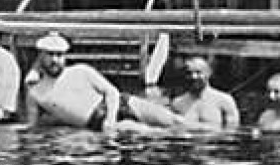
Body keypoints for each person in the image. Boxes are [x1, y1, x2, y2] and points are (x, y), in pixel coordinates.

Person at [22, 33, 172, 132]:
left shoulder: (80, 70)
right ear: (41, 55)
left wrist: (111, 118)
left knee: (174, 121)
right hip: (97, 121)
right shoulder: (36, 92)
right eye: (50, 55)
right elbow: (33, 126)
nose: (55, 60)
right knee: (156, 133)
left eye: (59, 55)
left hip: (119, 103)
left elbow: (111, 91)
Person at [170, 56, 240, 129]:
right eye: (189, 73)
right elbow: (173, 129)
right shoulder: (177, 103)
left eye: (198, 72)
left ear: (208, 73)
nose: (193, 76)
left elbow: (232, 131)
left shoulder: (225, 100)